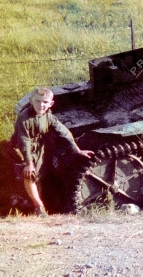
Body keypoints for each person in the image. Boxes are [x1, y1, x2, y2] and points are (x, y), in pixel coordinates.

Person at [8, 87, 94, 217]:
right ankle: (38, 207)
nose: (41, 105)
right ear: (31, 101)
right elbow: (23, 140)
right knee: (29, 175)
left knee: (39, 175)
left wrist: (76, 149)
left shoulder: (48, 117)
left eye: (45, 102)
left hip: (37, 148)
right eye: (38, 101)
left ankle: (35, 202)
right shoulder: (23, 118)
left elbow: (63, 132)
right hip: (19, 149)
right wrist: (29, 163)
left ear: (51, 103)